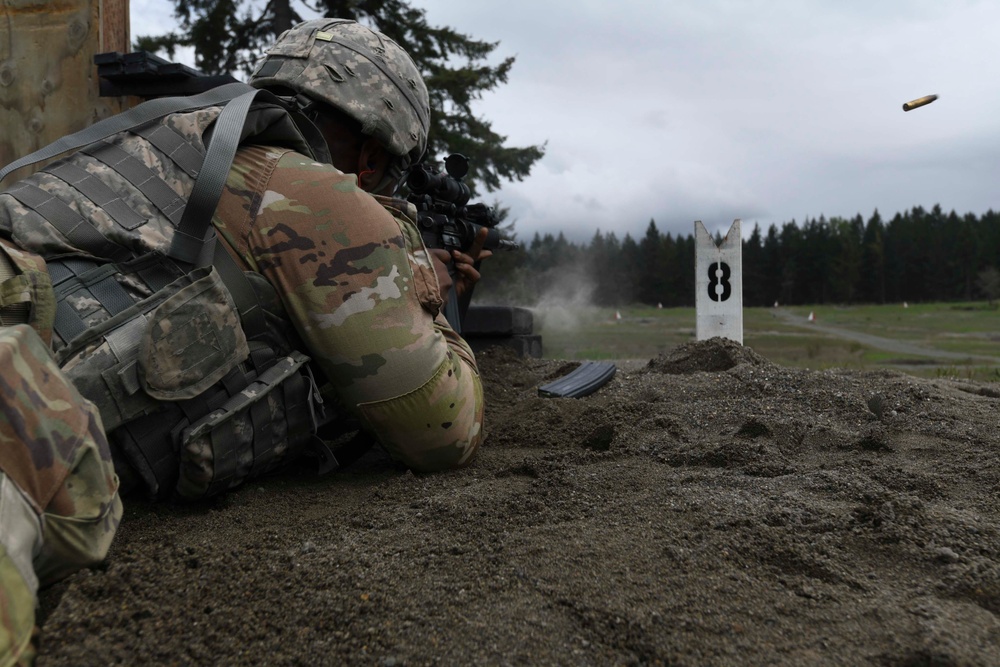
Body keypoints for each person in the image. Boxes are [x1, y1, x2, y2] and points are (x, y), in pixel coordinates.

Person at [0, 18, 488, 663]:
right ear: (372, 157)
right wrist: (429, 287)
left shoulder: (163, 142)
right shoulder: (311, 192)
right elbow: (441, 429)